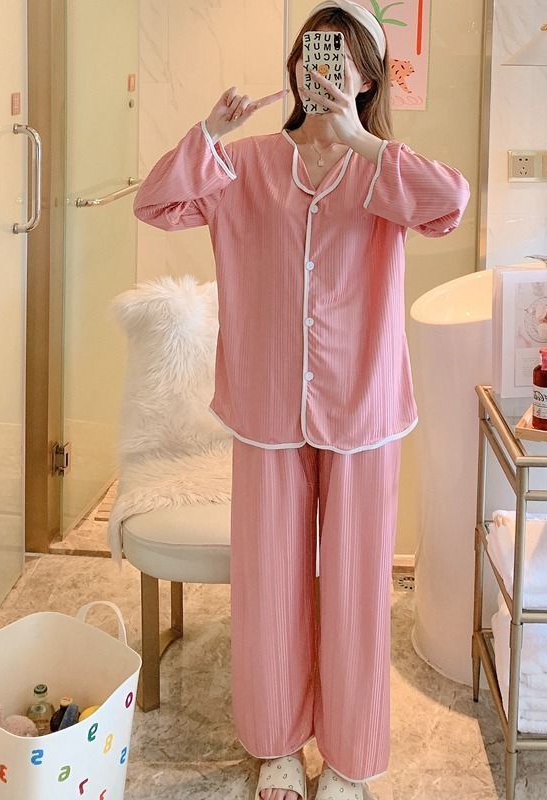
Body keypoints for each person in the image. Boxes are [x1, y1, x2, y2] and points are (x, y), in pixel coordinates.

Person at [133, 2, 469, 798]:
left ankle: (350, 757)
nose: (325, 67)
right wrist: (208, 134)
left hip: (363, 407)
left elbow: (448, 205)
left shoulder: (384, 172)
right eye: (315, 52)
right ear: (296, 67)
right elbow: (157, 205)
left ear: (368, 77)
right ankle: (277, 745)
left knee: (356, 586)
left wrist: (362, 139)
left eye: (344, 57)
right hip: (267, 408)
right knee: (271, 581)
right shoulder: (245, 166)